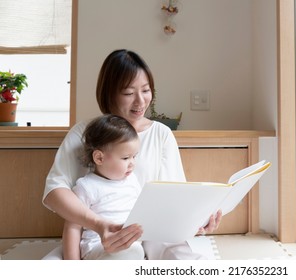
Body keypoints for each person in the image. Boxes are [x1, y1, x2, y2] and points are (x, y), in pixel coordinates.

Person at [42, 49, 222, 260]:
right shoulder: (84, 134)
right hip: (96, 237)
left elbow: (175, 197)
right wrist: (99, 226)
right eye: (128, 93)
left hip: (155, 234)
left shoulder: (161, 134)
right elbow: (55, 192)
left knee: (193, 264)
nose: (140, 102)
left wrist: (195, 221)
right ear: (110, 93)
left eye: (146, 90)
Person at [63, 114, 144, 260]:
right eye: (126, 158)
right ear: (99, 158)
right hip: (97, 248)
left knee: (135, 251)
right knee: (132, 251)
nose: (132, 163)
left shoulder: (132, 180)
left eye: (134, 156)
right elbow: (72, 227)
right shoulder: (87, 186)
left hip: (131, 245)